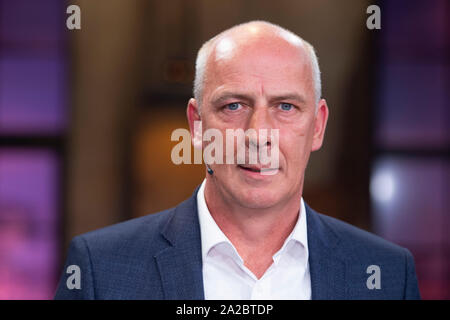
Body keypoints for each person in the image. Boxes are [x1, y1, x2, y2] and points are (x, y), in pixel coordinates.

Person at [55, 21, 420, 299]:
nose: (258, 133)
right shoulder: (99, 271)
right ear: (197, 125)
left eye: (286, 106)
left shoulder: (388, 275)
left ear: (318, 127)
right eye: (233, 106)